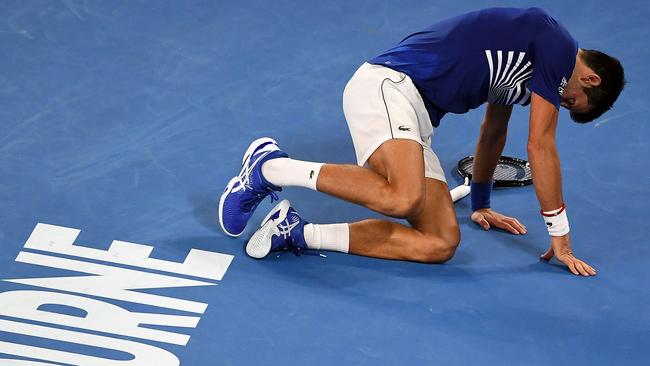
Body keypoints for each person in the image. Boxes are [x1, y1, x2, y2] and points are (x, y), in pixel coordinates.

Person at [218, 7, 625, 276]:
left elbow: (493, 130)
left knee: (440, 241)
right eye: (569, 100)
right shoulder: (555, 41)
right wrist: (561, 237)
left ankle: (294, 232)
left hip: (414, 117)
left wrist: (482, 204)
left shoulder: (527, 68)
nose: (558, 101)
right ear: (590, 78)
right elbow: (539, 144)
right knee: (402, 198)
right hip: (388, 87)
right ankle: (269, 167)